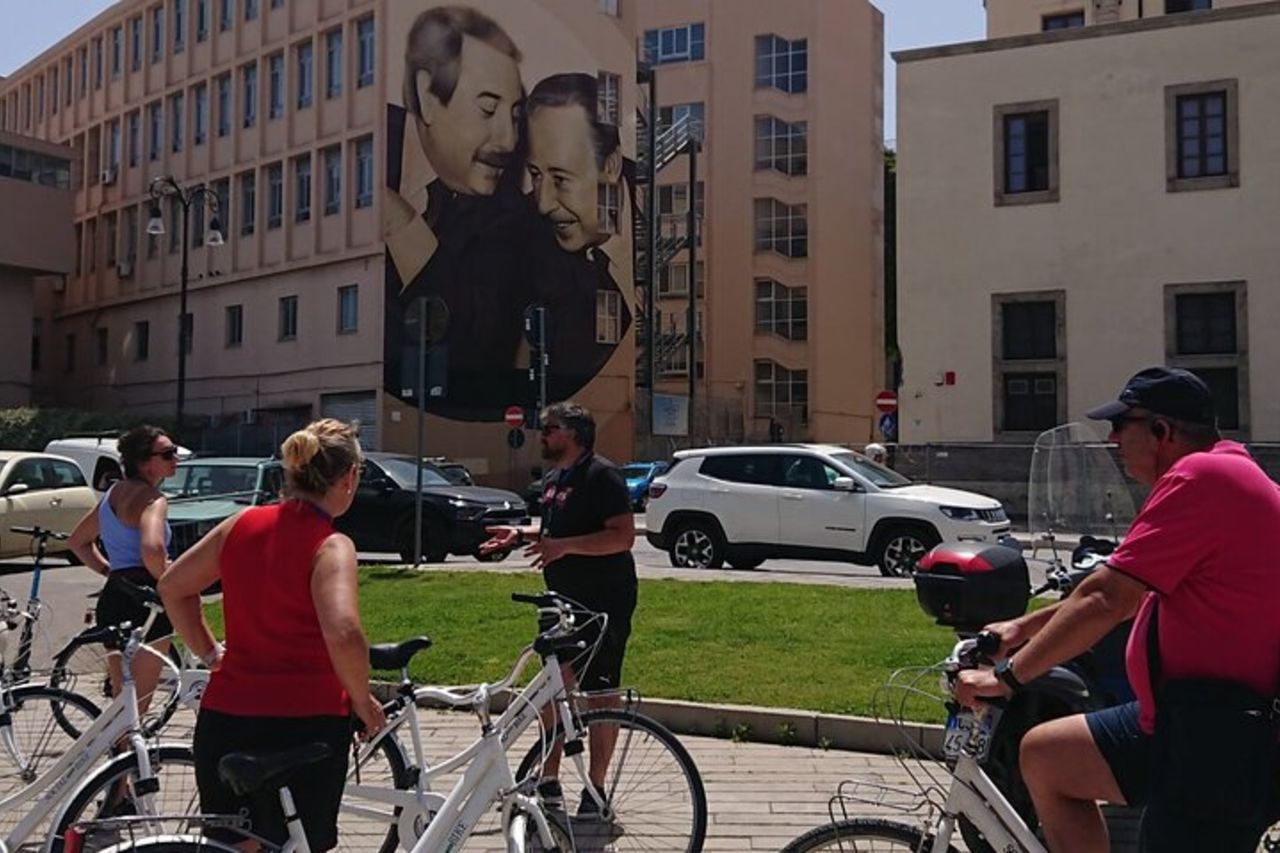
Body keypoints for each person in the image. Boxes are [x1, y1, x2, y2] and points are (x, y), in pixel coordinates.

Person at [955, 366, 1280, 853]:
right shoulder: (1222, 470)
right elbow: (1130, 590)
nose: (1111, 439)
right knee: (1046, 756)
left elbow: (1108, 599)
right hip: (1185, 719)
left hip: (1219, 743)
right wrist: (1021, 628)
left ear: (1161, 431)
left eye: (1121, 425)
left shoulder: (1201, 477)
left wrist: (1006, 678)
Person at [158, 419, 385, 850]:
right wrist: (361, 699)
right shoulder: (331, 545)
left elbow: (173, 586)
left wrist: (210, 653)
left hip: (226, 719)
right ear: (349, 477)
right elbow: (344, 631)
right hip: (304, 727)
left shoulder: (240, 524)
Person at [481, 402, 637, 817]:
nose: (542, 435)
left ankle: (596, 788)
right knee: (553, 687)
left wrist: (563, 547)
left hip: (602, 600)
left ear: (574, 434)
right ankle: (547, 779)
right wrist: (518, 534)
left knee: (601, 695)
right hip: (561, 601)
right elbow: (555, 531)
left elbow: (623, 536)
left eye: (550, 429)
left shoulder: (602, 475)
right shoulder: (555, 479)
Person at [381, 6, 532, 419]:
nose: (507, 139)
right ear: (429, 98)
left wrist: (402, 226)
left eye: (515, 116)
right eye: (488, 109)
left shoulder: (512, 217)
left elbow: (475, 336)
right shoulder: (363, 150)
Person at [524, 72, 633, 401]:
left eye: (560, 179)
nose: (543, 203)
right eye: (535, 175)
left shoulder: (657, 214)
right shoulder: (521, 243)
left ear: (610, 166)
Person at [67, 425, 178, 709]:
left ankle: (119, 749)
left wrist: (108, 570)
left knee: (122, 701)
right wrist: (169, 580)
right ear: (144, 462)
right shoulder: (153, 500)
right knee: (138, 705)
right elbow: (152, 548)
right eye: (167, 454)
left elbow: (78, 541)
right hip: (145, 600)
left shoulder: (113, 494)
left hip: (114, 595)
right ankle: (129, 751)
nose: (175, 458)